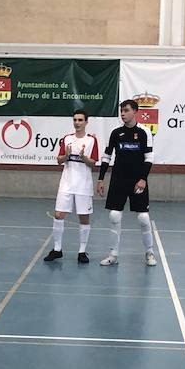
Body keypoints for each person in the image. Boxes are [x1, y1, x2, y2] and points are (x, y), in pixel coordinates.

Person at [97, 98, 156, 266]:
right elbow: (107, 156)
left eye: (126, 110)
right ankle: (113, 254)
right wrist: (101, 178)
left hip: (138, 181)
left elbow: (149, 158)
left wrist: (143, 179)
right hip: (118, 179)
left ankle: (149, 252)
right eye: (121, 111)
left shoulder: (144, 132)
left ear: (135, 112)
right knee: (114, 215)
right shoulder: (116, 133)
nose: (123, 114)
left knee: (143, 218)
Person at [45, 110, 100, 264]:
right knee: (58, 215)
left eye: (80, 120)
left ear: (86, 122)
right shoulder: (67, 139)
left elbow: (93, 163)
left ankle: (82, 252)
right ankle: (57, 249)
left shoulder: (91, 141)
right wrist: (66, 156)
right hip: (66, 183)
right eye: (75, 120)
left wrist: (83, 157)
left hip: (83, 184)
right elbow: (59, 160)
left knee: (84, 217)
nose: (77, 123)